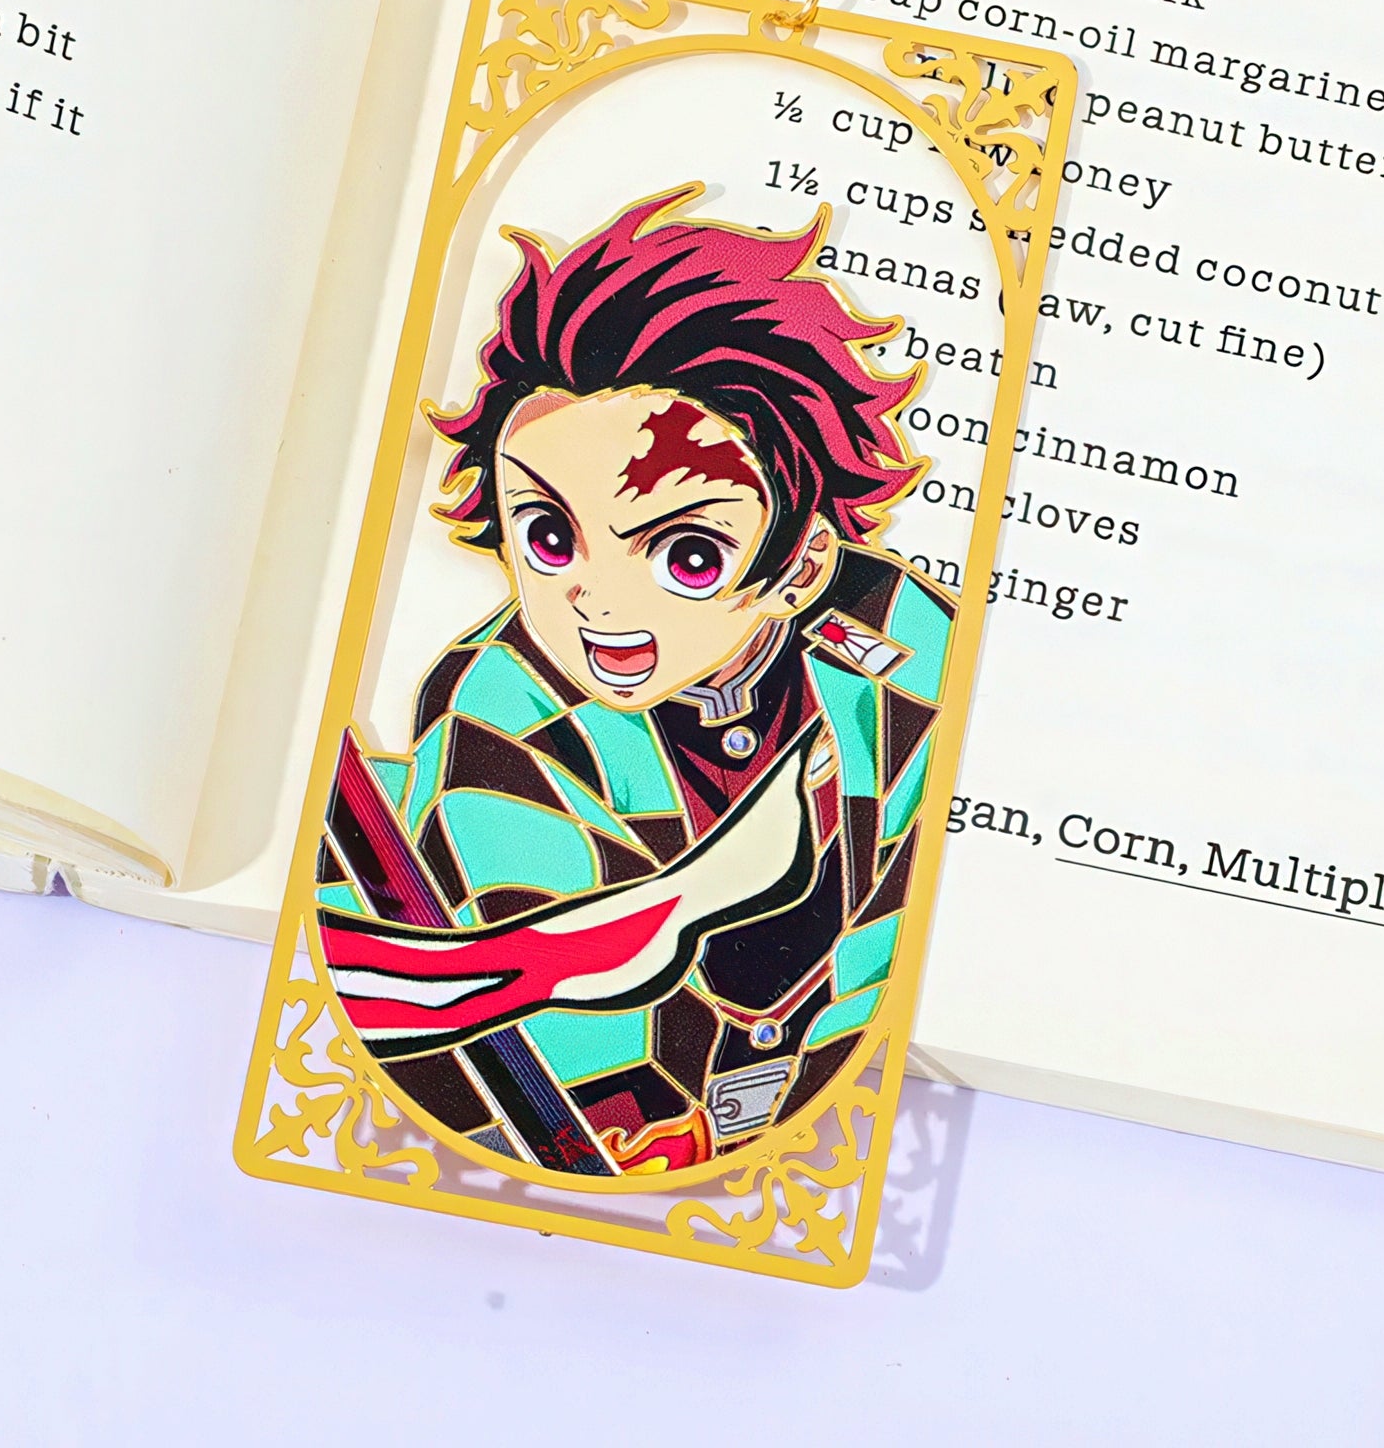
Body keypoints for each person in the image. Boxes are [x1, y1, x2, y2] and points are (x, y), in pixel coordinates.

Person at [315, 184, 957, 1178]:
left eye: (686, 555)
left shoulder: (899, 633)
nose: (597, 603)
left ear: (800, 564)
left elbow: (910, 915)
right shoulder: (498, 706)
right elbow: (577, 1029)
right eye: (548, 536)